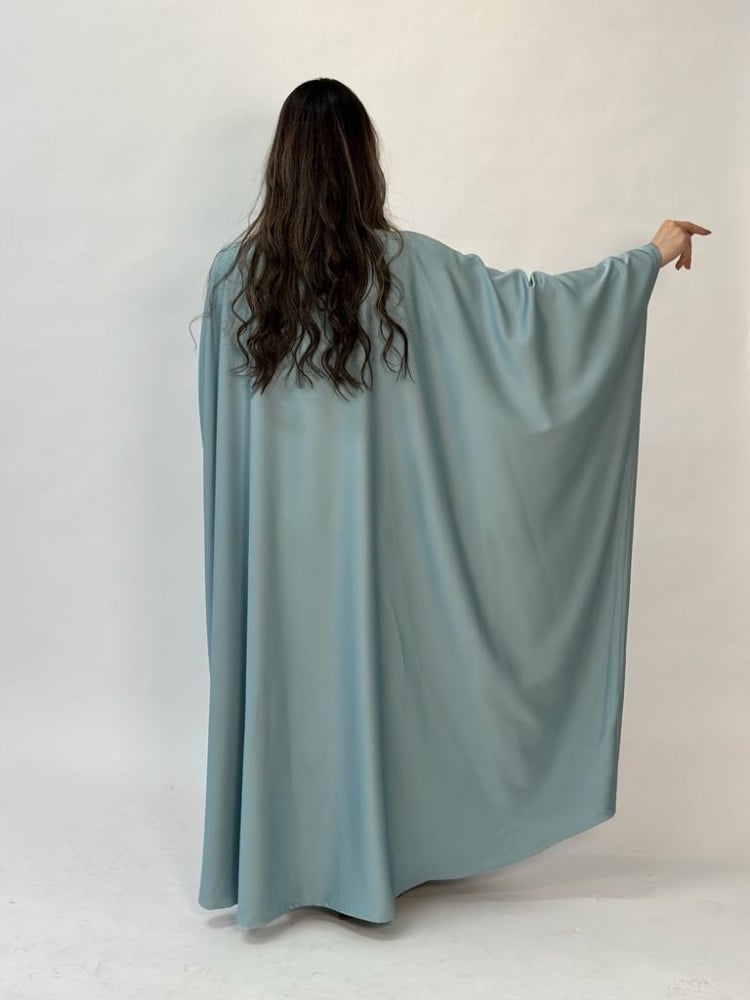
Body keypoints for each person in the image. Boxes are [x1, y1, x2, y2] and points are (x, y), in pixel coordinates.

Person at [195, 77, 711, 930]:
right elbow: (534, 319)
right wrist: (649, 256)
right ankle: (364, 857)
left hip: (273, 565)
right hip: (369, 556)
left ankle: (287, 859)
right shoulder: (404, 270)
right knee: (370, 681)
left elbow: (224, 445)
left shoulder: (234, 278)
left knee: (295, 692)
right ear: (362, 162)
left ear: (280, 165)